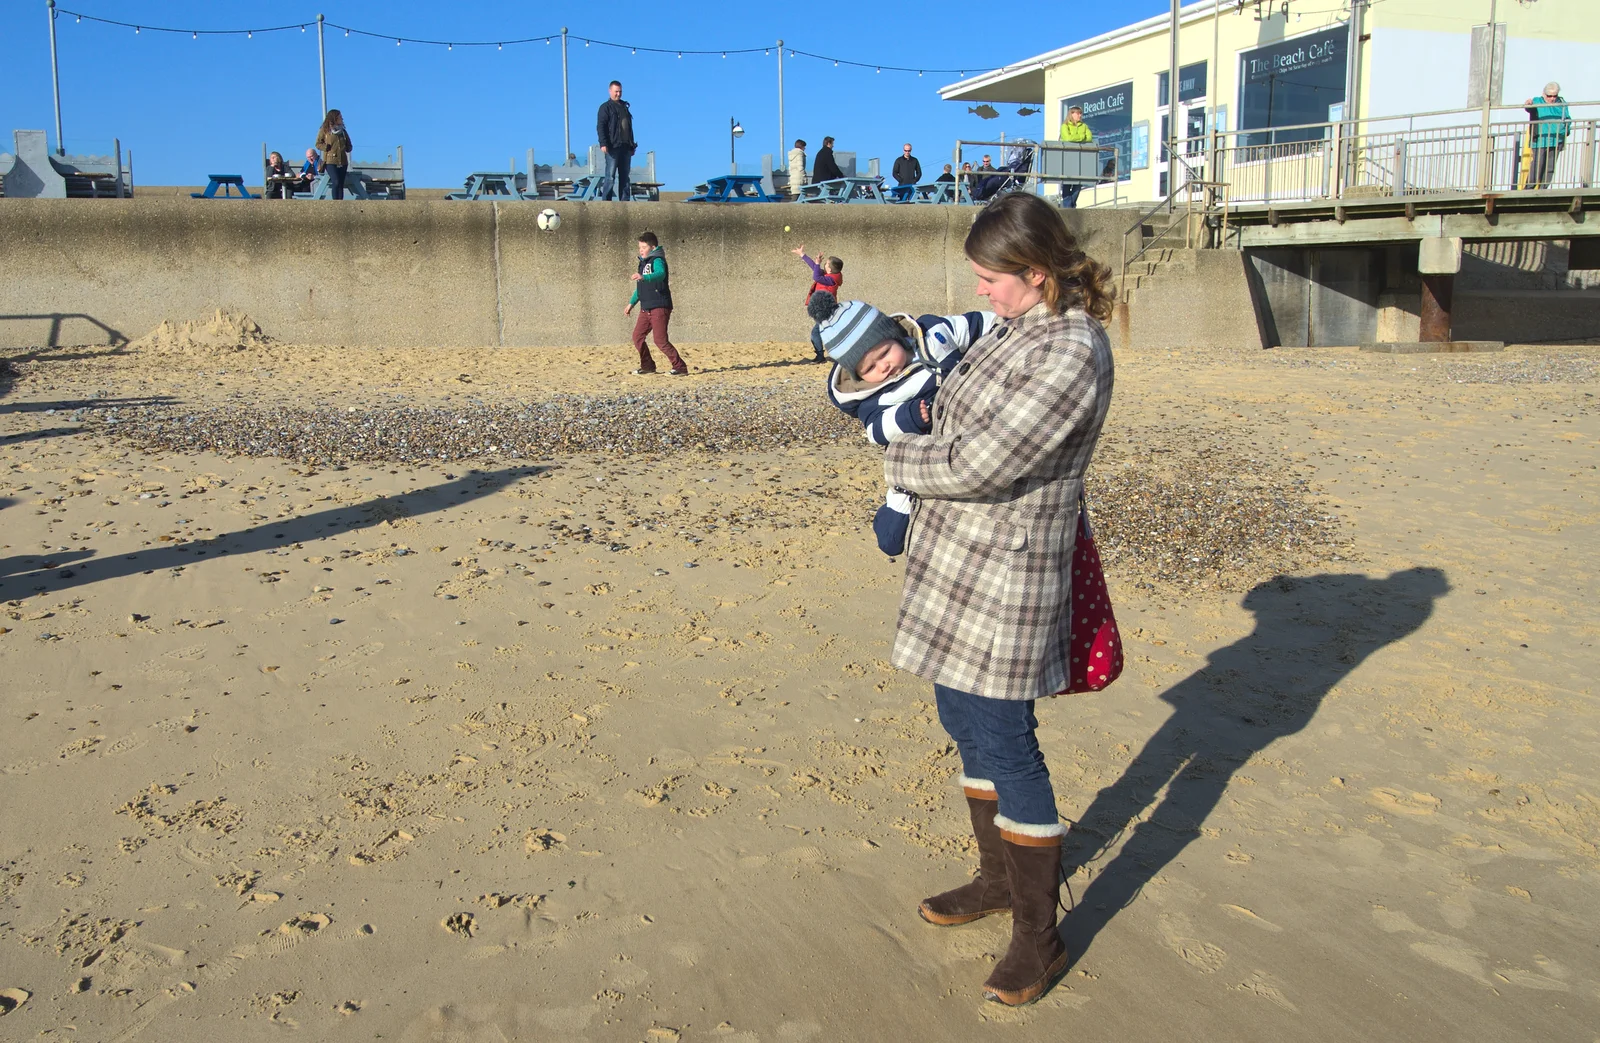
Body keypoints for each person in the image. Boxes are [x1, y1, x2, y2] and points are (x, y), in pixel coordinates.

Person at [882, 191, 1116, 1007]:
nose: (979, 289)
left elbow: (985, 460)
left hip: (1010, 571)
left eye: (989, 277)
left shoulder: (1073, 348)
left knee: (1007, 737)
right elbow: (942, 415)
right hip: (954, 561)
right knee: (961, 717)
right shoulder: (1015, 332)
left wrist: (898, 459)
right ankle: (994, 878)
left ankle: (1037, 930)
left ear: (1036, 273)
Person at [813, 292, 994, 555]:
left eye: (885, 353)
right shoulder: (873, 397)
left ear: (894, 336)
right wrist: (907, 416)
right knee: (892, 538)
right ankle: (889, 520)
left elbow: (979, 324)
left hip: (967, 425)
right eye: (869, 368)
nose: (883, 367)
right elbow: (875, 430)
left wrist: (1008, 326)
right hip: (916, 454)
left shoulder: (934, 336)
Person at [624, 232, 687, 375]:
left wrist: (644, 276)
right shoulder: (643, 263)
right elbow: (640, 288)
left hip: (660, 306)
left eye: (644, 247)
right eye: (639, 247)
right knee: (637, 337)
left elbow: (661, 274)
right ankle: (648, 366)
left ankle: (680, 367)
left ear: (653, 247)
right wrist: (631, 304)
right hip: (646, 308)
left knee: (660, 340)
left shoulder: (658, 260)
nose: (641, 250)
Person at [791, 246, 844, 362]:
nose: (823, 265)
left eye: (826, 264)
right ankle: (823, 355)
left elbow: (815, 276)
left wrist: (817, 263)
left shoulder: (831, 280)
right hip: (823, 309)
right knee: (823, 331)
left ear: (829, 269)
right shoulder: (829, 276)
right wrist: (802, 255)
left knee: (815, 333)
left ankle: (820, 356)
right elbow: (814, 268)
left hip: (826, 310)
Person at [1524, 82, 1571, 190]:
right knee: (1537, 166)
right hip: (1540, 140)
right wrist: (1527, 104)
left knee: (1550, 167)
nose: (1552, 98)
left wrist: (1566, 131)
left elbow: (1568, 118)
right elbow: (1528, 108)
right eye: (1549, 96)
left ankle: (1543, 189)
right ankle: (1529, 189)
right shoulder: (1537, 101)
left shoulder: (1562, 103)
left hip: (1556, 140)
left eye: (1555, 96)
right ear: (1544, 94)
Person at [597, 80, 636, 202]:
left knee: (625, 177)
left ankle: (625, 201)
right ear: (610, 91)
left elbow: (629, 127)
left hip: (626, 147)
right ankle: (606, 202)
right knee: (610, 176)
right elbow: (601, 126)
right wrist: (603, 143)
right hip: (612, 146)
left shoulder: (625, 107)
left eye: (620, 91)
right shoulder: (605, 108)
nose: (618, 94)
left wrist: (632, 145)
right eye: (616, 91)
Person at [1057, 105, 1092, 208]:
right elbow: (1067, 138)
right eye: (1078, 113)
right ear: (1072, 114)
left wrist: (1076, 138)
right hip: (1068, 157)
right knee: (1067, 182)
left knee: (1078, 183)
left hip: (1080, 157)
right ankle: (1068, 205)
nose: (1080, 115)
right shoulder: (1065, 126)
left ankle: (1072, 203)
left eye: (1081, 113)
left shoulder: (1084, 126)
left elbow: (1089, 138)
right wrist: (1081, 137)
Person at [315, 109, 352, 200]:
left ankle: (340, 202)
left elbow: (349, 145)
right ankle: (335, 202)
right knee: (335, 181)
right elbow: (318, 144)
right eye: (339, 117)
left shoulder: (343, 131)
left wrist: (348, 148)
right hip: (330, 161)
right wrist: (325, 147)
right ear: (334, 118)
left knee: (340, 184)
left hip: (342, 161)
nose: (342, 118)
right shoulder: (325, 130)